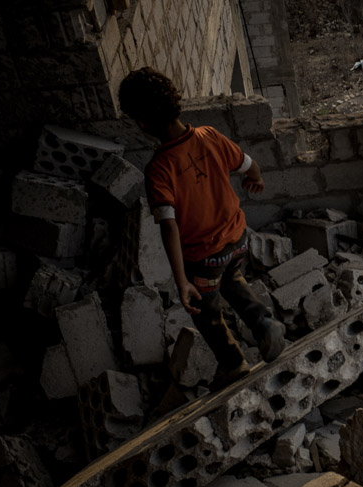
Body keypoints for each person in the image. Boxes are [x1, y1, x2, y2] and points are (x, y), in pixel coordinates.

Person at [118, 67, 286, 385]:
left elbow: (169, 228)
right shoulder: (210, 136)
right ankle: (264, 324)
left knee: (205, 310)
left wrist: (182, 282)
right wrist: (256, 180)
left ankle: (234, 363)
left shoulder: (159, 169)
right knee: (232, 281)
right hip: (237, 241)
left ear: (141, 123)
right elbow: (250, 166)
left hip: (204, 259)